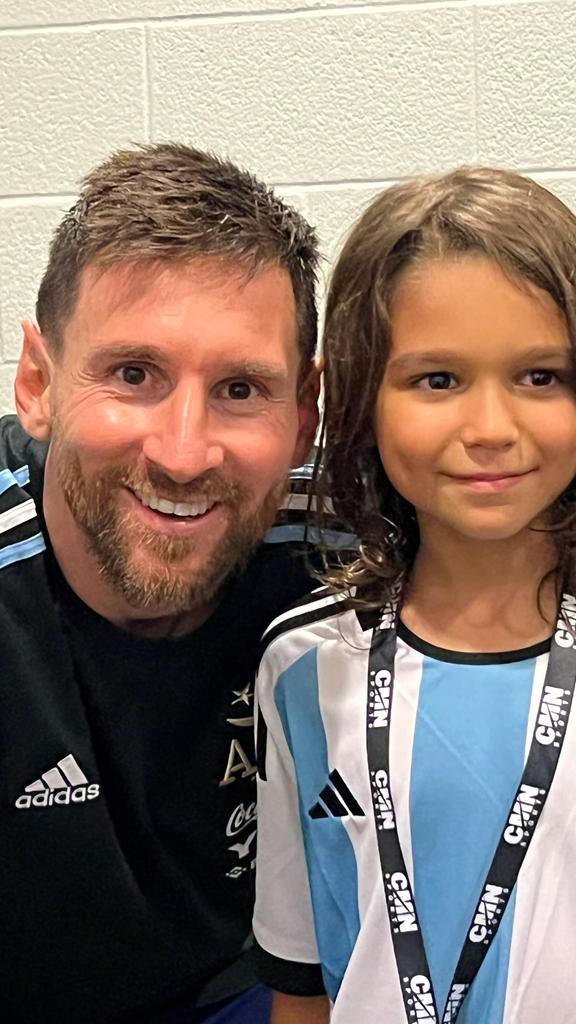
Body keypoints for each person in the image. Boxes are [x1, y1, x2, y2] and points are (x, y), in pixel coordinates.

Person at [0, 142, 321, 1023]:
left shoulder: (356, 538)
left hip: (254, 984)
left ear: (305, 415)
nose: (183, 454)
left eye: (240, 389)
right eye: (133, 375)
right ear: (38, 382)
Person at [253, 167, 576, 1024]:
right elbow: (300, 983)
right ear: (361, 398)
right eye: (438, 380)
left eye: (541, 375)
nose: (492, 429)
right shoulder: (303, 668)